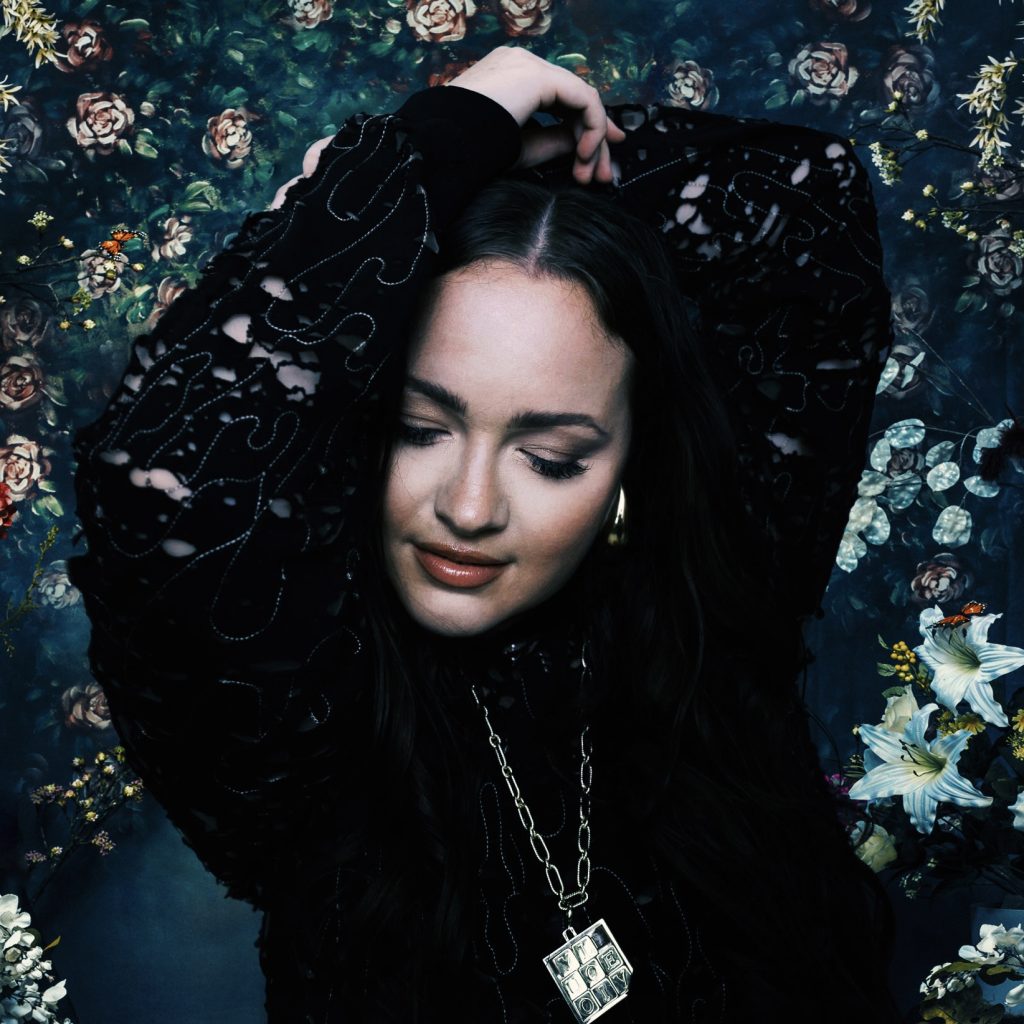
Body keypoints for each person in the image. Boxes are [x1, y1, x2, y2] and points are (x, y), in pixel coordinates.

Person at [68, 45, 903, 1024]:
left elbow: (805, 204)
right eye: (417, 430)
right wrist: (439, 144)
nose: (468, 509)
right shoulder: (299, 712)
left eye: (550, 457)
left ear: (631, 467)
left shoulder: (712, 613)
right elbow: (158, 486)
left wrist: (516, 174)